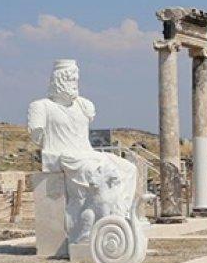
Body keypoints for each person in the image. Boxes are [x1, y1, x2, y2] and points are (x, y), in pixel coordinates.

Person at [28, 60, 140, 246]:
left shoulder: (84, 105)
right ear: (57, 81)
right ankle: (94, 226)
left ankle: (121, 215)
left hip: (86, 152)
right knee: (97, 171)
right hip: (62, 155)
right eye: (69, 79)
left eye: (75, 79)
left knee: (128, 169)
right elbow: (37, 136)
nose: (74, 83)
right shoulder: (40, 106)